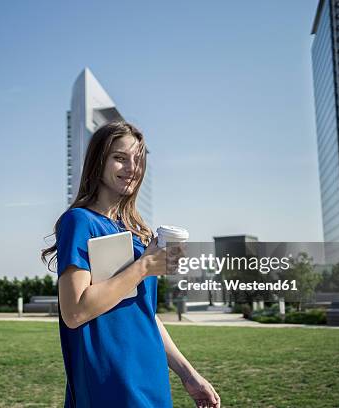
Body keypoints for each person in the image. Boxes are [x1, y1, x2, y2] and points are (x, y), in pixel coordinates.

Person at [41, 121, 221, 408]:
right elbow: (74, 312)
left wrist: (189, 375)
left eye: (138, 160)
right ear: (99, 162)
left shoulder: (140, 234)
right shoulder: (80, 222)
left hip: (152, 379)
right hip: (110, 383)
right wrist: (144, 266)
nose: (131, 168)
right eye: (120, 158)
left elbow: (145, 314)